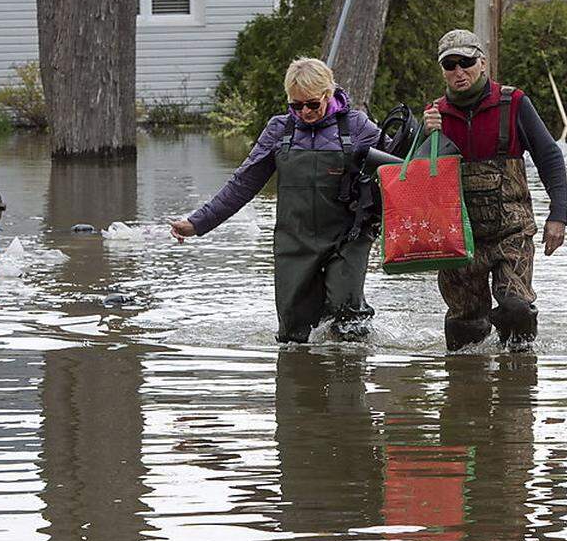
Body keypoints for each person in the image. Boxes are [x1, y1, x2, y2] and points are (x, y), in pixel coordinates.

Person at [170, 57, 398, 343]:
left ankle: (352, 369)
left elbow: (402, 172)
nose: (305, 112)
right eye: (296, 105)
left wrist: (429, 134)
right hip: (295, 240)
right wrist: (196, 224)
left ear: (329, 94)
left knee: (346, 313)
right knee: (294, 333)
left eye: (312, 104)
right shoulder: (279, 130)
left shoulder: (357, 126)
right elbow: (243, 184)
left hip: (349, 235)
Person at [422, 30, 567, 352]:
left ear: (483, 63)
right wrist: (424, 137)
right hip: (459, 238)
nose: (459, 72)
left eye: (467, 62)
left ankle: (517, 388)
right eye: (450, 65)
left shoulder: (514, 103)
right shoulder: (433, 115)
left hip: (511, 232)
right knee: (464, 332)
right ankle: (466, 395)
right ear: (442, 70)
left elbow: (549, 157)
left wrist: (558, 215)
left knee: (516, 310)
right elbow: (413, 178)